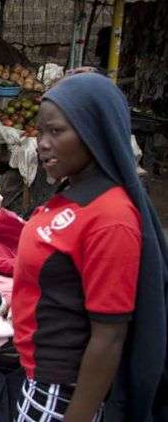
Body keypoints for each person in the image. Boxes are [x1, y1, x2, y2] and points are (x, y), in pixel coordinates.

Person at [12, 73, 167, 422]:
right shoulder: (74, 194)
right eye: (40, 131)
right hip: (40, 377)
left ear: (94, 131)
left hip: (63, 393)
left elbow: (110, 335)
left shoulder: (110, 217)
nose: (43, 143)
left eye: (56, 131)